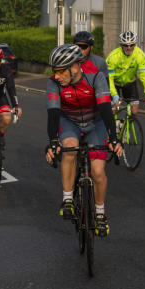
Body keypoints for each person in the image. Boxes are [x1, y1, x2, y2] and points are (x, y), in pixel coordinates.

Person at [44, 44, 123, 236]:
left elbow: (105, 110)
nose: (57, 76)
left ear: (75, 67)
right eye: (55, 71)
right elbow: (53, 113)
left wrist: (113, 138)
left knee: (97, 171)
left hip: (95, 122)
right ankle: (68, 198)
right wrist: (53, 141)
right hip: (69, 121)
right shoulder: (53, 83)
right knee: (69, 148)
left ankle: (100, 214)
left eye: (61, 71)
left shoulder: (95, 77)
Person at [106, 30, 145, 117]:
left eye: (132, 45)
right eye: (126, 45)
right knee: (114, 109)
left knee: (134, 111)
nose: (129, 47)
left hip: (130, 83)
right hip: (114, 83)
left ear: (135, 44)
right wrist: (114, 94)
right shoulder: (113, 57)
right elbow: (109, 78)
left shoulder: (140, 55)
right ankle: (112, 128)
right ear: (121, 45)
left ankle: (127, 127)